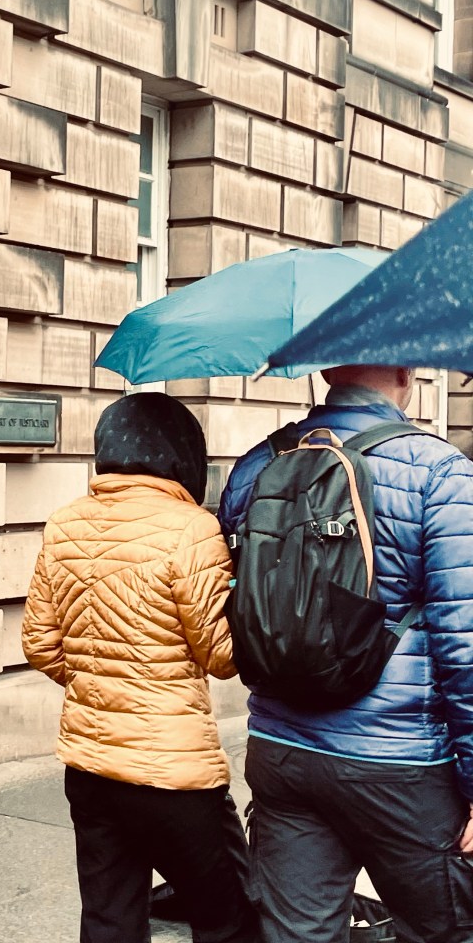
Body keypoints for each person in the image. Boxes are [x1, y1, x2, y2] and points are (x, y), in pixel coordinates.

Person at [218, 365, 473, 943]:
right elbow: (464, 644)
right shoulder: (439, 471)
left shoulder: (258, 464)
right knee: (446, 930)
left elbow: (243, 596)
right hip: (399, 758)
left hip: (282, 748)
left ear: (326, 370)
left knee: (297, 934)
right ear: (407, 372)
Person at [22, 392, 258, 943]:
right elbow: (222, 657)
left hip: (90, 766)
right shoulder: (192, 528)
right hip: (174, 771)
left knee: (110, 920)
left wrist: (101, 683)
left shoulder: (65, 523)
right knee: (229, 920)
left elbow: (39, 644)